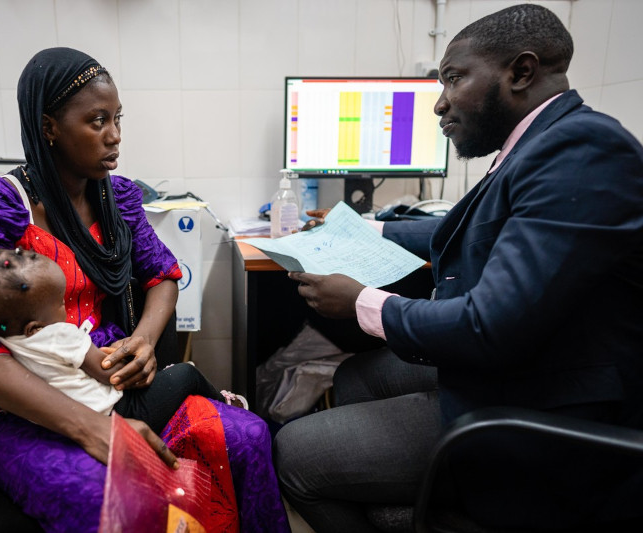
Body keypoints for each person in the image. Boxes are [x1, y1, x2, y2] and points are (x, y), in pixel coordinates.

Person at [274, 4, 643, 532]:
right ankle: (406, 506)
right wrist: (364, 229)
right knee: (359, 373)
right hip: (533, 362)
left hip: (550, 411)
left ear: (520, 72)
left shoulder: (583, 151)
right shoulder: (542, 142)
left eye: (453, 79)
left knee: (293, 453)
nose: (439, 103)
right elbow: (480, 227)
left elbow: (486, 327)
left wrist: (359, 301)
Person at [0, 47, 288, 532]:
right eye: (97, 121)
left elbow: (162, 274)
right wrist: (99, 431)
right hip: (24, 404)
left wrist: (142, 339)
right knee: (107, 496)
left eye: (117, 118)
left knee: (245, 436)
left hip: (106, 385)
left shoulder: (114, 197)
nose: (115, 136)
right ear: (49, 126)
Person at [0, 243, 246, 420]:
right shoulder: (61, 336)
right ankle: (227, 403)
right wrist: (121, 355)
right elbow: (111, 376)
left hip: (57, 418)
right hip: (117, 414)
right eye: (59, 304)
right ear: (35, 327)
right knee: (185, 374)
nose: (64, 310)